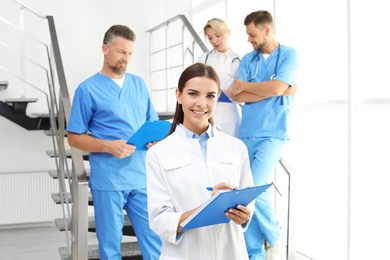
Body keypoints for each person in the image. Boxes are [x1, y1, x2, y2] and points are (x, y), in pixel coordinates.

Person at [66, 25, 162, 260]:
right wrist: (109, 146)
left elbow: (153, 125)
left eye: (130, 53)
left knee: (155, 241)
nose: (126, 58)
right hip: (109, 180)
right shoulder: (87, 89)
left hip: (141, 177)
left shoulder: (139, 84)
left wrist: (156, 141)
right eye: (121, 52)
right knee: (110, 246)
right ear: (105, 49)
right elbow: (74, 137)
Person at [146, 63, 255, 260]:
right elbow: (159, 220)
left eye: (210, 96)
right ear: (179, 95)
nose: (202, 103)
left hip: (230, 253)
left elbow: (249, 201)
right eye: (193, 94)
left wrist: (244, 214)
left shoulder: (236, 147)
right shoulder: (159, 153)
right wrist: (207, 209)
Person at [232, 10, 299, 260]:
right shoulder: (249, 59)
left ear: (266, 30)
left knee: (252, 188)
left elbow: (277, 86)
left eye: (252, 34)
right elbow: (237, 95)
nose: (249, 39)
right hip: (247, 131)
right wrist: (275, 90)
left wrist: (254, 88)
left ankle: (274, 235)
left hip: (274, 133)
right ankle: (255, 253)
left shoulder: (290, 54)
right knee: (249, 191)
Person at [196, 18, 241, 138]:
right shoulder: (203, 59)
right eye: (210, 38)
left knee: (229, 151)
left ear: (228, 32)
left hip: (229, 114)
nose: (214, 41)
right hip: (208, 112)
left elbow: (241, 93)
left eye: (218, 35)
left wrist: (222, 93)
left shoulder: (238, 61)